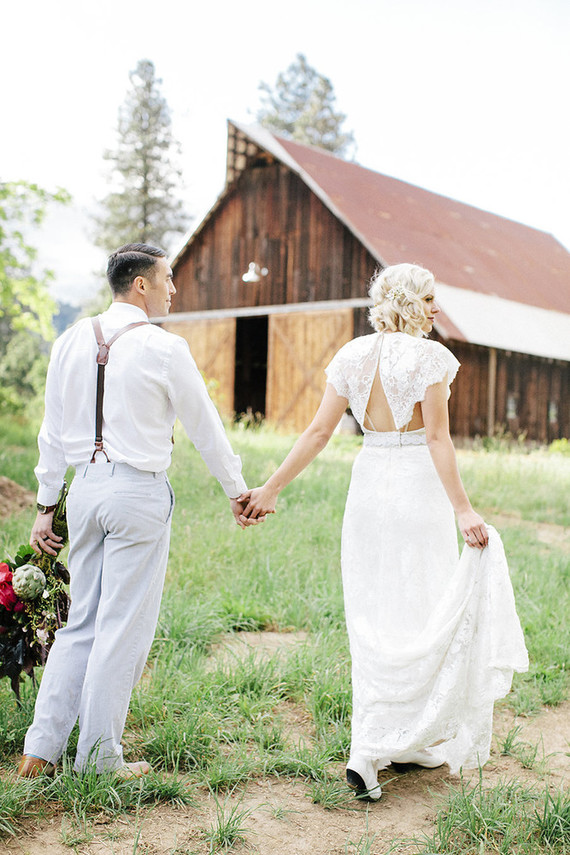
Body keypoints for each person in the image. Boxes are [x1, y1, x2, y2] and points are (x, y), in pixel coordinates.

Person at [238, 263, 528, 800]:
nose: (438, 308)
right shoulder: (432, 359)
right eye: (431, 298)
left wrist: (272, 487)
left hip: (369, 488)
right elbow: (438, 440)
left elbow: (320, 430)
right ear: (412, 302)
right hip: (417, 489)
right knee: (419, 609)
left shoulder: (350, 355)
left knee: (372, 614)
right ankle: (373, 746)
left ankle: (399, 743)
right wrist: (465, 511)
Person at [18, 243, 259, 779]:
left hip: (83, 492)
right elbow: (204, 427)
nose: (175, 289)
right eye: (168, 279)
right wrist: (236, 489)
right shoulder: (164, 348)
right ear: (142, 285)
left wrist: (45, 505)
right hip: (138, 493)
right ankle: (100, 759)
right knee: (121, 627)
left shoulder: (70, 340)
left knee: (80, 623)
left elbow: (52, 434)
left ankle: (40, 752)